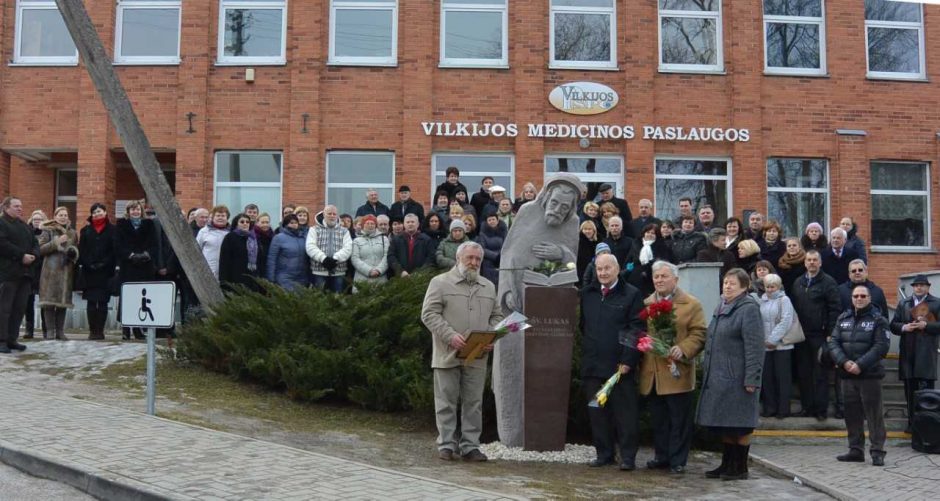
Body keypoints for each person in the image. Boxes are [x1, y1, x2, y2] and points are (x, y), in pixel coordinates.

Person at [421, 241, 502, 462]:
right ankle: (446, 444)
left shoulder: (488, 286)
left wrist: (489, 335)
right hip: (447, 352)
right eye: (470, 258)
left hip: (476, 354)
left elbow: (497, 316)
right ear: (458, 258)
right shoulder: (439, 283)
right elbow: (428, 314)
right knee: (446, 401)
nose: (474, 263)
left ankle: (470, 446)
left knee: (473, 402)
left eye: (478, 259)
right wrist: (450, 336)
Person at [696, 268, 764, 481]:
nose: (727, 286)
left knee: (741, 425)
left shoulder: (748, 309)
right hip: (721, 377)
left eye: (732, 283)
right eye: (725, 282)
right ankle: (727, 464)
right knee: (726, 422)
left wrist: (752, 378)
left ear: (744, 287)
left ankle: (740, 467)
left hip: (740, 378)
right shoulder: (722, 306)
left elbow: (754, 347)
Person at [639, 261, 706, 474]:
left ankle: (678, 460)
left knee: (679, 420)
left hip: (677, 372)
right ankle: (662, 456)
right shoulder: (647, 303)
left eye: (663, 276)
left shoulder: (691, 304)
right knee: (659, 420)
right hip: (654, 373)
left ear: (675, 279)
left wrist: (683, 349)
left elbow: (699, 333)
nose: (659, 280)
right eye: (656, 277)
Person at [580, 254, 645, 470]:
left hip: (619, 366)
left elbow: (636, 329)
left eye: (607, 268)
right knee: (597, 414)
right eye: (599, 269)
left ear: (617, 269)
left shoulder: (631, 294)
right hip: (592, 364)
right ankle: (604, 454)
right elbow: (583, 326)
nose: (603, 273)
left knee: (625, 414)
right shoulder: (588, 294)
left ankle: (627, 457)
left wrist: (628, 360)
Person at [829, 284, 889, 466]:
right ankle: (855, 450)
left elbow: (881, 346)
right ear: (852, 298)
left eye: (863, 296)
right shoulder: (843, 318)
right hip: (847, 375)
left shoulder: (879, 320)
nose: (859, 299)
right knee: (852, 414)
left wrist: (860, 365)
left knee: (874, 416)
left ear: (869, 298)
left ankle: (877, 451)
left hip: (869, 376)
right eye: (856, 296)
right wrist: (844, 362)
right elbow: (834, 343)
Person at [790, 250, 841, 420]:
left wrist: (831, 333)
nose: (811, 262)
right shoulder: (798, 282)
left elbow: (835, 309)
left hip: (820, 335)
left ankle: (821, 410)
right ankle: (807, 407)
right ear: (805, 263)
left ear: (820, 263)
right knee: (804, 373)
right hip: (800, 335)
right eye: (809, 260)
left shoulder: (828, 282)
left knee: (820, 374)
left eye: (814, 260)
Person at [889, 274, 940, 434]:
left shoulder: (937, 303)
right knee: (909, 392)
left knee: (927, 393)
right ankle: (912, 424)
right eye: (916, 285)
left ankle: (927, 426)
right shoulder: (904, 303)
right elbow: (893, 325)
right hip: (908, 352)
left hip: (926, 353)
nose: (919, 287)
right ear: (913, 287)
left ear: (928, 287)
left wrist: (927, 325)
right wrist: (905, 327)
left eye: (922, 285)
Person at [0, 197, 39, 353]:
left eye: (21, 206)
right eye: (16, 206)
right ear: (6, 207)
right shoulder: (2, 223)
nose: (20, 209)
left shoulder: (24, 225)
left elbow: (35, 243)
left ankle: (12, 339)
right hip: (8, 273)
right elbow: (2, 244)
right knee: (4, 308)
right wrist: (21, 255)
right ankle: (1, 340)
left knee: (19, 308)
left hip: (25, 274)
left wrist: (34, 255)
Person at [116, 201, 157, 340]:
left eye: (138, 209)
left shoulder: (149, 224)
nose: (135, 212)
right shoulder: (121, 224)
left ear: (141, 210)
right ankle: (126, 328)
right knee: (127, 297)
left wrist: (146, 255)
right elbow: (118, 244)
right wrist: (131, 255)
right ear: (128, 211)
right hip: (128, 266)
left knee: (142, 298)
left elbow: (154, 243)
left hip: (145, 265)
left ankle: (139, 328)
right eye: (132, 209)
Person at [37, 207, 79, 341]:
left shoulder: (72, 232)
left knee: (63, 303)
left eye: (65, 215)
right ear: (55, 216)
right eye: (60, 215)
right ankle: (50, 331)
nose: (63, 217)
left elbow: (76, 248)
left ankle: (60, 331)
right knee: (49, 303)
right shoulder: (47, 230)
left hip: (66, 271)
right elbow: (40, 249)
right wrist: (56, 242)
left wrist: (73, 252)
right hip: (50, 271)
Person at [78, 203, 117, 340]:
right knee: (91, 302)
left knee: (102, 302)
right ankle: (92, 331)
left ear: (105, 213)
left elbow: (114, 250)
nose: (97, 214)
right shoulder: (85, 230)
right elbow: (81, 250)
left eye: (99, 211)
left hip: (106, 271)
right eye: (94, 212)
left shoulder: (113, 230)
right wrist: (89, 263)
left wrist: (104, 263)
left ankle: (100, 331)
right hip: (90, 272)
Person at [759, 274, 795, 419]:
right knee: (767, 378)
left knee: (782, 378)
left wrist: (773, 339)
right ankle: (770, 408)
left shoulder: (784, 300)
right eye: (767, 286)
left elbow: (786, 321)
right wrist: (765, 340)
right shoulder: (762, 301)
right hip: (765, 345)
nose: (769, 289)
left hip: (782, 345)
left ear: (779, 287)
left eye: (772, 286)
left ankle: (783, 409)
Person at [306, 205, 352, 293]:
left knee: (338, 300)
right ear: (323, 215)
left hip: (339, 271)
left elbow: (348, 248)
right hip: (319, 271)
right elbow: (310, 247)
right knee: (319, 301)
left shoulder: (344, 231)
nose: (332, 216)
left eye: (334, 214)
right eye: (329, 214)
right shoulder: (314, 229)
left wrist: (335, 259)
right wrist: (324, 259)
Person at [219, 213, 266, 293]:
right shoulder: (230, 237)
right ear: (236, 224)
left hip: (253, 278)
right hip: (235, 277)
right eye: (242, 222)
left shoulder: (253, 238)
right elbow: (224, 260)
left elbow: (260, 260)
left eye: (247, 222)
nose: (245, 224)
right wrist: (224, 282)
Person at [626, 223, 674, 296]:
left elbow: (662, 260)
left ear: (657, 235)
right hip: (635, 279)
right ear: (644, 233)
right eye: (648, 232)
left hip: (653, 278)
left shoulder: (661, 245)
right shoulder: (636, 244)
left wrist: (647, 269)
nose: (650, 234)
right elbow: (629, 259)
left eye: (653, 233)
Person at [265, 214, 309, 291]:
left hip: (301, 278)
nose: (294, 225)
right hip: (284, 277)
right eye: (291, 223)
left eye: (296, 223)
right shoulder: (278, 238)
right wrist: (271, 278)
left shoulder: (303, 238)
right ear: (285, 224)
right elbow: (271, 259)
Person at [348, 214, 389, 292]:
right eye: (367, 223)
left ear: (375, 225)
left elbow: (386, 256)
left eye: (372, 223)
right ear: (363, 225)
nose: (370, 225)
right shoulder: (357, 241)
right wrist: (369, 271)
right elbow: (354, 258)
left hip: (380, 278)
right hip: (362, 279)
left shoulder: (384, 239)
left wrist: (379, 270)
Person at [24, 210, 47, 339]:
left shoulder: (47, 233)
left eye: (39, 219)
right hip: (31, 270)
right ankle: (29, 329)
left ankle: (45, 329)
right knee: (28, 300)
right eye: (35, 219)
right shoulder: (27, 233)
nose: (37, 221)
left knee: (44, 302)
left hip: (44, 270)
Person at [388, 213, 434, 278]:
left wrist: (421, 273)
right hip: (401, 277)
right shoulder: (396, 240)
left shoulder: (426, 240)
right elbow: (391, 257)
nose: (410, 224)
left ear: (418, 224)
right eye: (408, 222)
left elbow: (431, 258)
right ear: (404, 224)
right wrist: (401, 271)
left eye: (412, 222)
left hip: (421, 277)